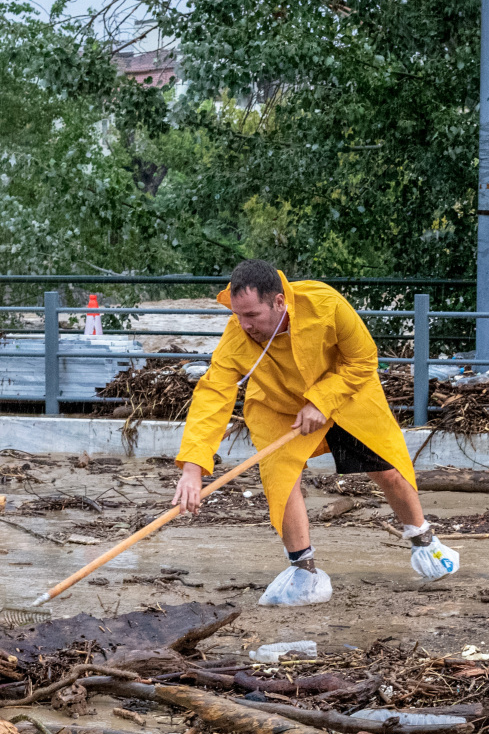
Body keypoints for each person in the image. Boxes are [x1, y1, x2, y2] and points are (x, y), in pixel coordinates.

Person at [171, 259, 459, 606]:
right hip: (279, 408)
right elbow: (213, 393)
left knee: (388, 471)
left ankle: (424, 541)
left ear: (279, 302)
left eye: (251, 315)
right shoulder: (238, 335)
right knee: (281, 478)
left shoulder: (325, 304)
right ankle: (303, 570)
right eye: (237, 315)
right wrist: (192, 468)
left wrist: (322, 401)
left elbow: (364, 359)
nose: (243, 325)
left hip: (345, 396)